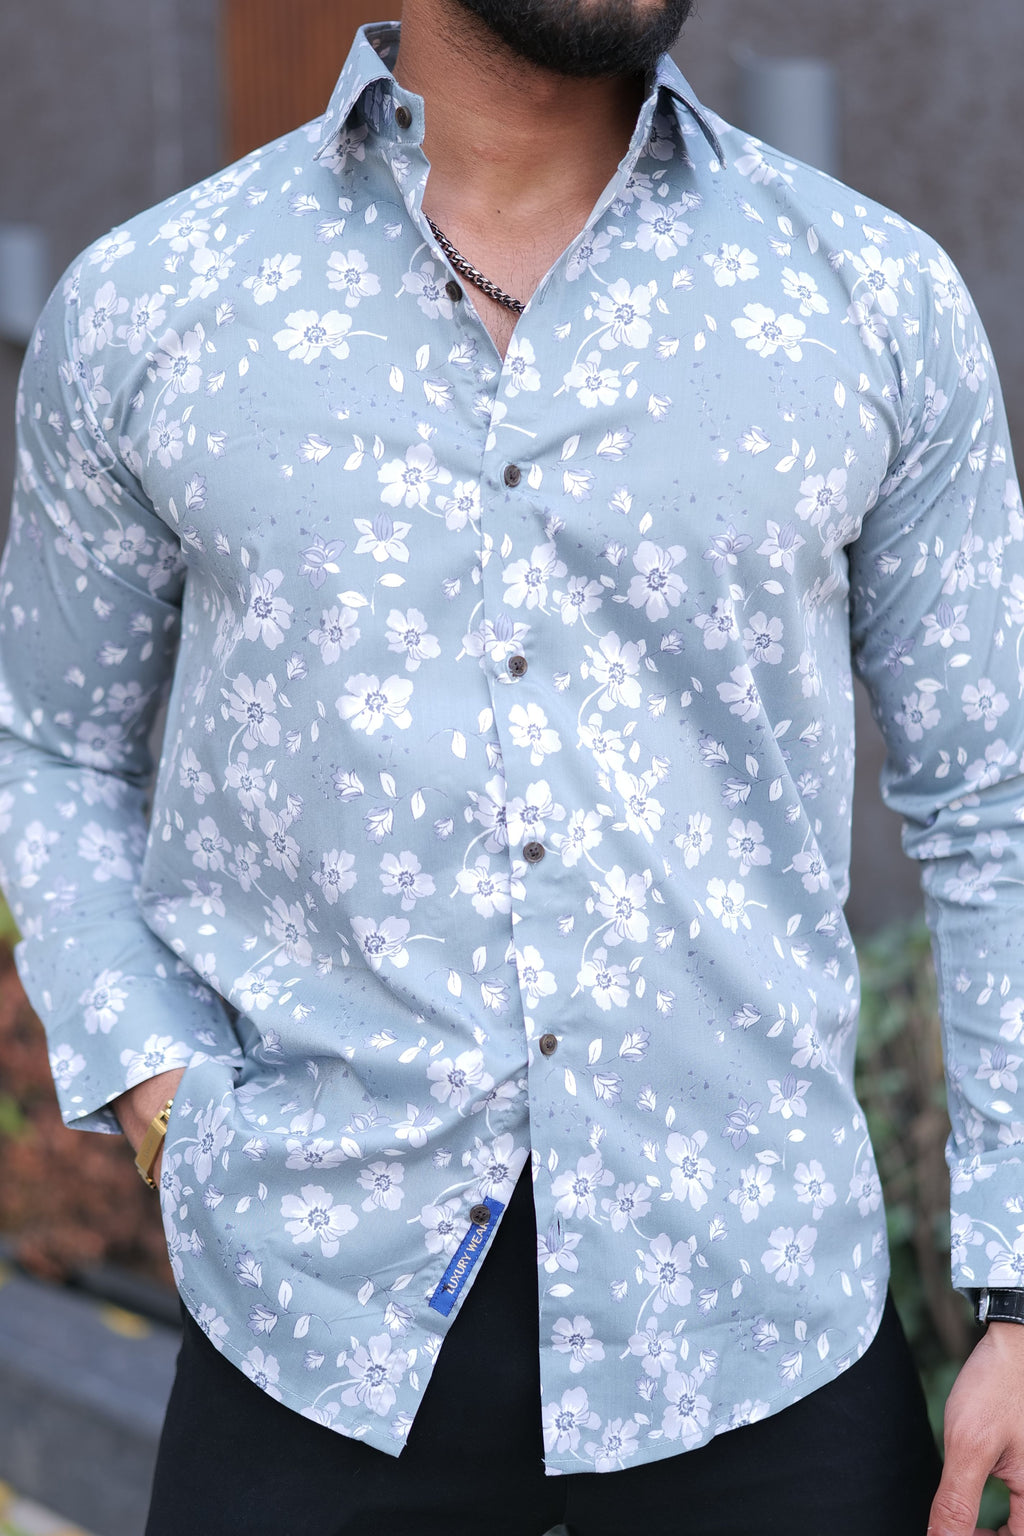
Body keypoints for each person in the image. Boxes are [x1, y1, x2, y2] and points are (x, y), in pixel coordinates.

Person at [1, 0, 1022, 1530]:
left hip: (764, 1358)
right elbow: (49, 746)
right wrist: (158, 1090)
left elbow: (996, 804)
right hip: (307, 1348)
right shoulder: (160, 300)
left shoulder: (867, 294)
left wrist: (1018, 1294)